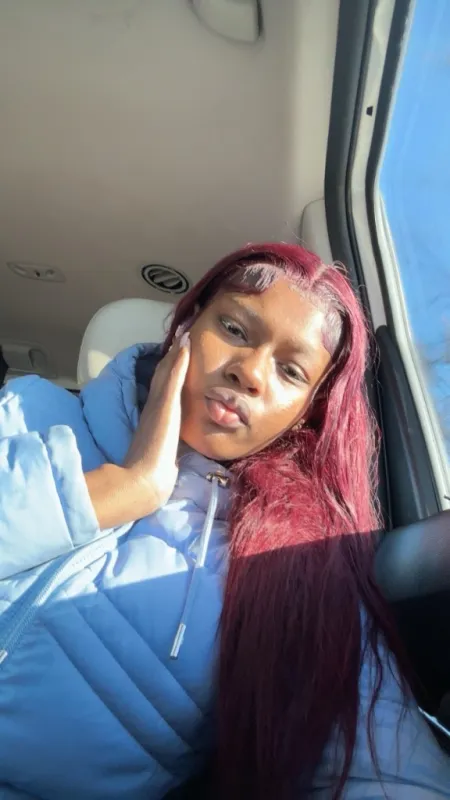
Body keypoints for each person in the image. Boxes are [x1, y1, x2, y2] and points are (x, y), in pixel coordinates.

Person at [0, 243, 448, 800]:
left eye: (291, 371)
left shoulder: (291, 566)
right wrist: (128, 487)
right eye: (234, 329)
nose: (250, 372)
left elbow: (385, 775)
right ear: (187, 326)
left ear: (304, 414)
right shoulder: (30, 411)